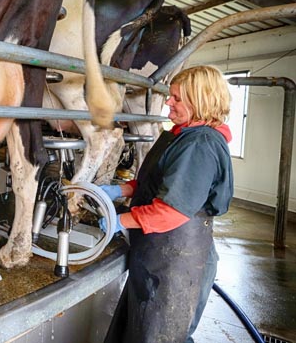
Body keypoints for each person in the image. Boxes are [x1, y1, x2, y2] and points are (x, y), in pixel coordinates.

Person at [99, 65, 234, 343]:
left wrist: (119, 220)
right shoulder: (179, 134)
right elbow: (157, 182)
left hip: (177, 261)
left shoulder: (200, 145)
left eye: (176, 98)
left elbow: (171, 210)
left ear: (201, 100)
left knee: (161, 336)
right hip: (161, 254)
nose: (168, 103)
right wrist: (117, 190)